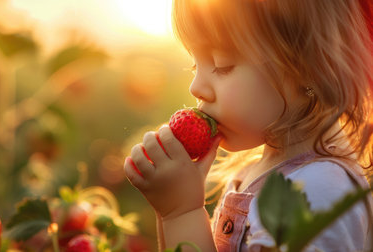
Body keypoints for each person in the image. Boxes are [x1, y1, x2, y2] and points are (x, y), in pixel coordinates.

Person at [123, 0, 373, 251]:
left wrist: (180, 213)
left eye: (222, 65)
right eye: (194, 65)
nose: (195, 87)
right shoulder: (253, 171)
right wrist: (170, 210)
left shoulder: (318, 192)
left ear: (309, 67)